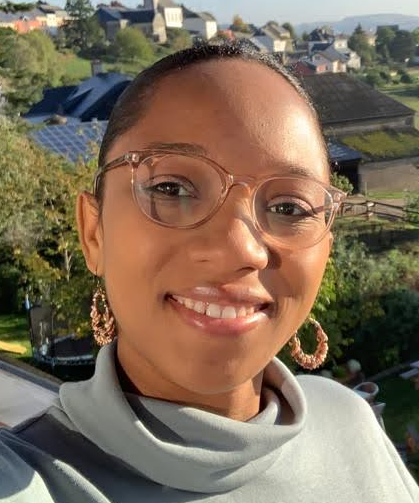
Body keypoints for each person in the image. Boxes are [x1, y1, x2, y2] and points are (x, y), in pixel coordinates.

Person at [0, 43, 418, 503]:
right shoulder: (28, 480)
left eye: (288, 207)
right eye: (172, 188)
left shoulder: (349, 420)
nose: (239, 249)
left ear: (324, 251)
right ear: (94, 233)